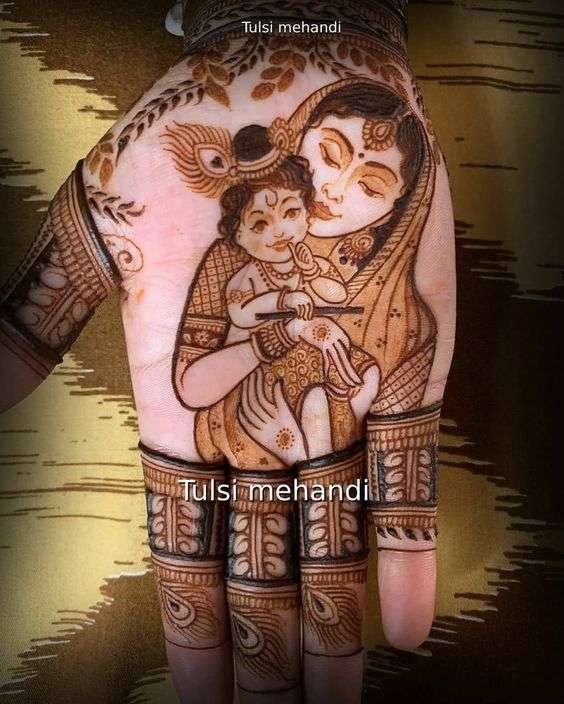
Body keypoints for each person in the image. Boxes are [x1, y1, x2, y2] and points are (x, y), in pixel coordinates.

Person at [0, 1, 456, 703]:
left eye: (371, 187)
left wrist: (349, 27)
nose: (337, 191)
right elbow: (201, 373)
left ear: (398, 210)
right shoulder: (230, 261)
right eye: (331, 157)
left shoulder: (392, 309)